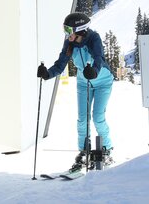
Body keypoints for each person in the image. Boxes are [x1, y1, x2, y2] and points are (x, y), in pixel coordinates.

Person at [37, 12, 114, 173]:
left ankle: (107, 150)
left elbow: (99, 57)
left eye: (68, 30)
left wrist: (94, 70)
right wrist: (47, 74)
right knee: (82, 120)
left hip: (102, 82)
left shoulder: (94, 38)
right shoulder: (70, 43)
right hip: (82, 82)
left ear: (80, 29)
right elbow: (60, 65)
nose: (67, 34)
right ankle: (84, 153)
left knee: (98, 117)